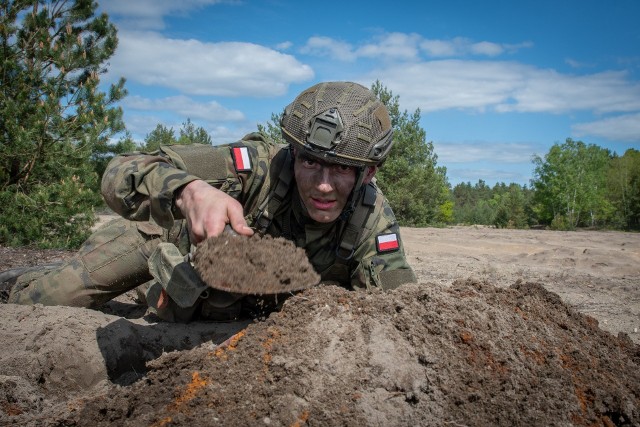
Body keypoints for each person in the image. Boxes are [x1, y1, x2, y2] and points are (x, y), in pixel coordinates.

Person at [8, 81, 416, 322]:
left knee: (147, 310)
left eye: (342, 169)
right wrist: (190, 191)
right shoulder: (256, 166)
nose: (324, 185)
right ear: (293, 153)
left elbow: (401, 309)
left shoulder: (371, 222)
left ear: (369, 173)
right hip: (161, 238)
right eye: (310, 161)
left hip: (200, 299)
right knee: (41, 303)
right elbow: (120, 173)